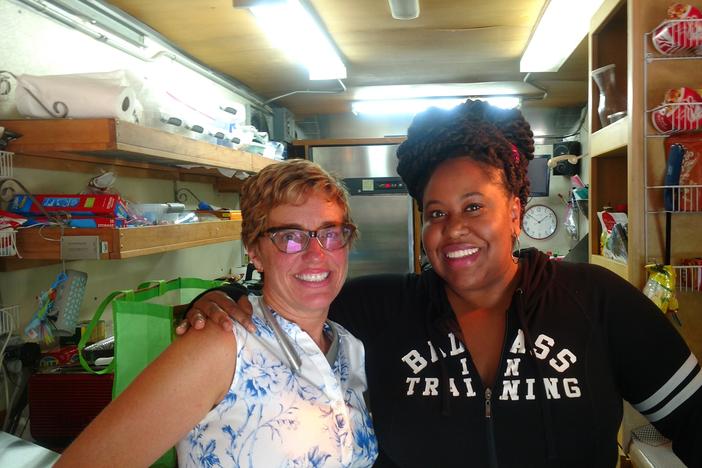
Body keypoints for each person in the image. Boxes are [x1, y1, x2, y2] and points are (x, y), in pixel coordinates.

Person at [182, 100, 702, 467]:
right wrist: (222, 299)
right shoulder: (380, 308)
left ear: (516, 212)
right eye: (436, 213)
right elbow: (289, 295)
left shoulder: (596, 301)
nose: (453, 228)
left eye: (474, 207)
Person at [56, 159, 378, 467]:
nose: (316, 254)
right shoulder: (221, 346)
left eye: (330, 233)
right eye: (289, 237)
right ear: (255, 252)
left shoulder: (350, 348)